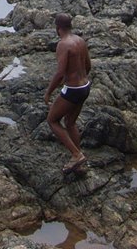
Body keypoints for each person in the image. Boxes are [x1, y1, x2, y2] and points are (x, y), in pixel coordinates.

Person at [44, 13, 91, 173]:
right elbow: (88, 65)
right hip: (85, 86)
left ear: (58, 28)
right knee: (70, 122)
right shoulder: (80, 41)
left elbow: (60, 73)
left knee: (52, 120)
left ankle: (76, 155)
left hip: (73, 90)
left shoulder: (63, 44)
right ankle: (79, 161)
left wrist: (49, 92)